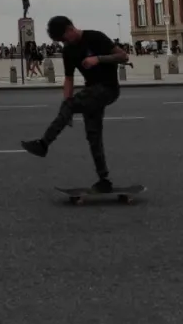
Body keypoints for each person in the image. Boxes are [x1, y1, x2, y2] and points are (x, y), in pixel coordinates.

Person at [21, 15, 128, 193]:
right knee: (93, 136)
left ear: (70, 29)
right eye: (60, 41)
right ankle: (104, 180)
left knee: (74, 108)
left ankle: (43, 144)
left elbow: (123, 56)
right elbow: (69, 80)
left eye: (64, 38)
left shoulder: (95, 37)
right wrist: (66, 108)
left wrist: (98, 59)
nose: (64, 43)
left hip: (108, 89)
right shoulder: (68, 51)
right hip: (91, 92)